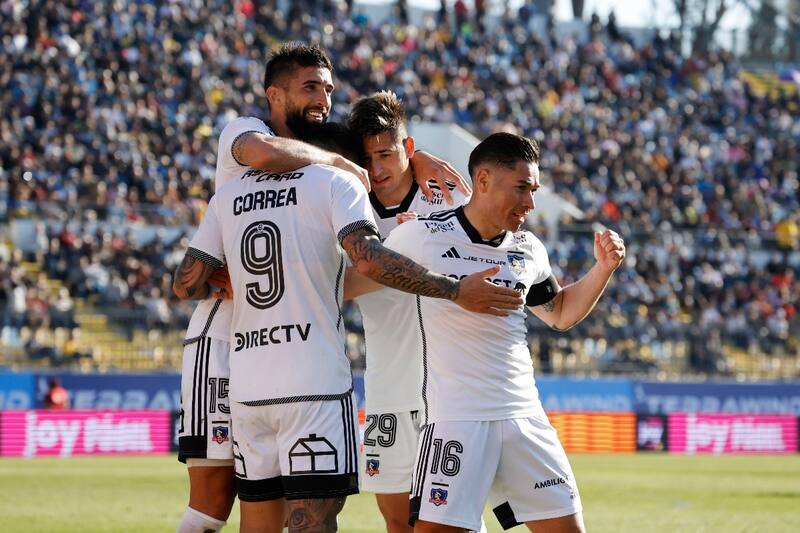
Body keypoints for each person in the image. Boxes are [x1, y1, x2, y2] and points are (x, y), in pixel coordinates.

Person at [174, 42, 471, 533]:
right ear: (273, 94)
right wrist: (341, 167)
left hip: (267, 355)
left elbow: (377, 159)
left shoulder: (309, 173)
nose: (324, 97)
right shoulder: (247, 134)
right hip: (226, 339)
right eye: (311, 86)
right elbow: (272, 154)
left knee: (261, 510)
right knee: (213, 504)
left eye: (329, 88)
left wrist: (412, 159)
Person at [369, 133, 625, 532]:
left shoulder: (529, 248)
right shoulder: (421, 235)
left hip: (525, 416)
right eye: (521, 188)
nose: (530, 202)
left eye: (534, 190)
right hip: (458, 419)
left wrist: (603, 269)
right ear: (483, 180)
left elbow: (559, 313)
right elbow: (367, 269)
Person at [344, 91, 469, 533]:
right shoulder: (349, 212)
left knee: (454, 522)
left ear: (409, 149)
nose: (377, 169)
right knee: (398, 523)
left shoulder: (449, 194)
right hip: (388, 389)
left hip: (452, 389)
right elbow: (338, 287)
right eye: (367, 158)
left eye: (387, 154)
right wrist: (397, 255)